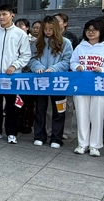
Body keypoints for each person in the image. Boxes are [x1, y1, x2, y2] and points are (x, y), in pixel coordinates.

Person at [0, 4, 32, 144]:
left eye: (4, 14)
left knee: (12, 107)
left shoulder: (20, 34)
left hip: (12, 77)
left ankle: (11, 133)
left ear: (12, 15)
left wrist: (14, 65)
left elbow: (25, 55)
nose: (1, 17)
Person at [70, 18, 104, 157]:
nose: (90, 32)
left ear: (101, 31)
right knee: (81, 114)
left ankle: (95, 146)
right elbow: (72, 62)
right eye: (88, 30)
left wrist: (103, 69)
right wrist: (77, 67)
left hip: (100, 86)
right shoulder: (80, 47)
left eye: (94, 30)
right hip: (82, 85)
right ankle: (82, 143)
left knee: (97, 115)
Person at [29, 15, 72, 148]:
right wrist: (38, 67)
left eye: (50, 28)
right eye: (45, 29)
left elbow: (67, 61)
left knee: (59, 110)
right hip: (41, 81)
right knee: (40, 109)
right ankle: (39, 136)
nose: (47, 31)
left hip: (58, 81)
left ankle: (56, 138)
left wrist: (54, 68)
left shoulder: (65, 42)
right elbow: (31, 59)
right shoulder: (36, 43)